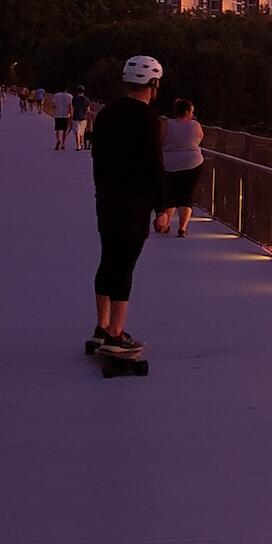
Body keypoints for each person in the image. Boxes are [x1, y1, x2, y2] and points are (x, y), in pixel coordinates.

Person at [86, 55, 171, 355]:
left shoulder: (107, 113)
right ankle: (116, 334)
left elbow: (96, 156)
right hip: (135, 201)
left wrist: (101, 190)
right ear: (153, 84)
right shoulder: (149, 119)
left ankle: (101, 326)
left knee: (108, 259)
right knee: (125, 265)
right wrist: (162, 208)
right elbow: (154, 164)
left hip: (107, 197)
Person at [160, 98, 206, 236]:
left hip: (169, 163)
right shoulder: (195, 125)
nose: (192, 114)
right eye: (191, 111)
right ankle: (182, 228)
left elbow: (161, 140)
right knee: (186, 194)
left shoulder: (167, 124)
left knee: (170, 194)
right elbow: (200, 138)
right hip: (192, 162)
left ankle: (166, 224)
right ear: (187, 111)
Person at [71, 84, 91, 150]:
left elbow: (73, 108)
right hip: (83, 117)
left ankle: (78, 145)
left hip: (76, 116)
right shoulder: (87, 99)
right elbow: (88, 109)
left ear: (77, 91)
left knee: (77, 131)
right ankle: (82, 144)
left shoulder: (74, 99)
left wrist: (71, 116)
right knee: (81, 132)